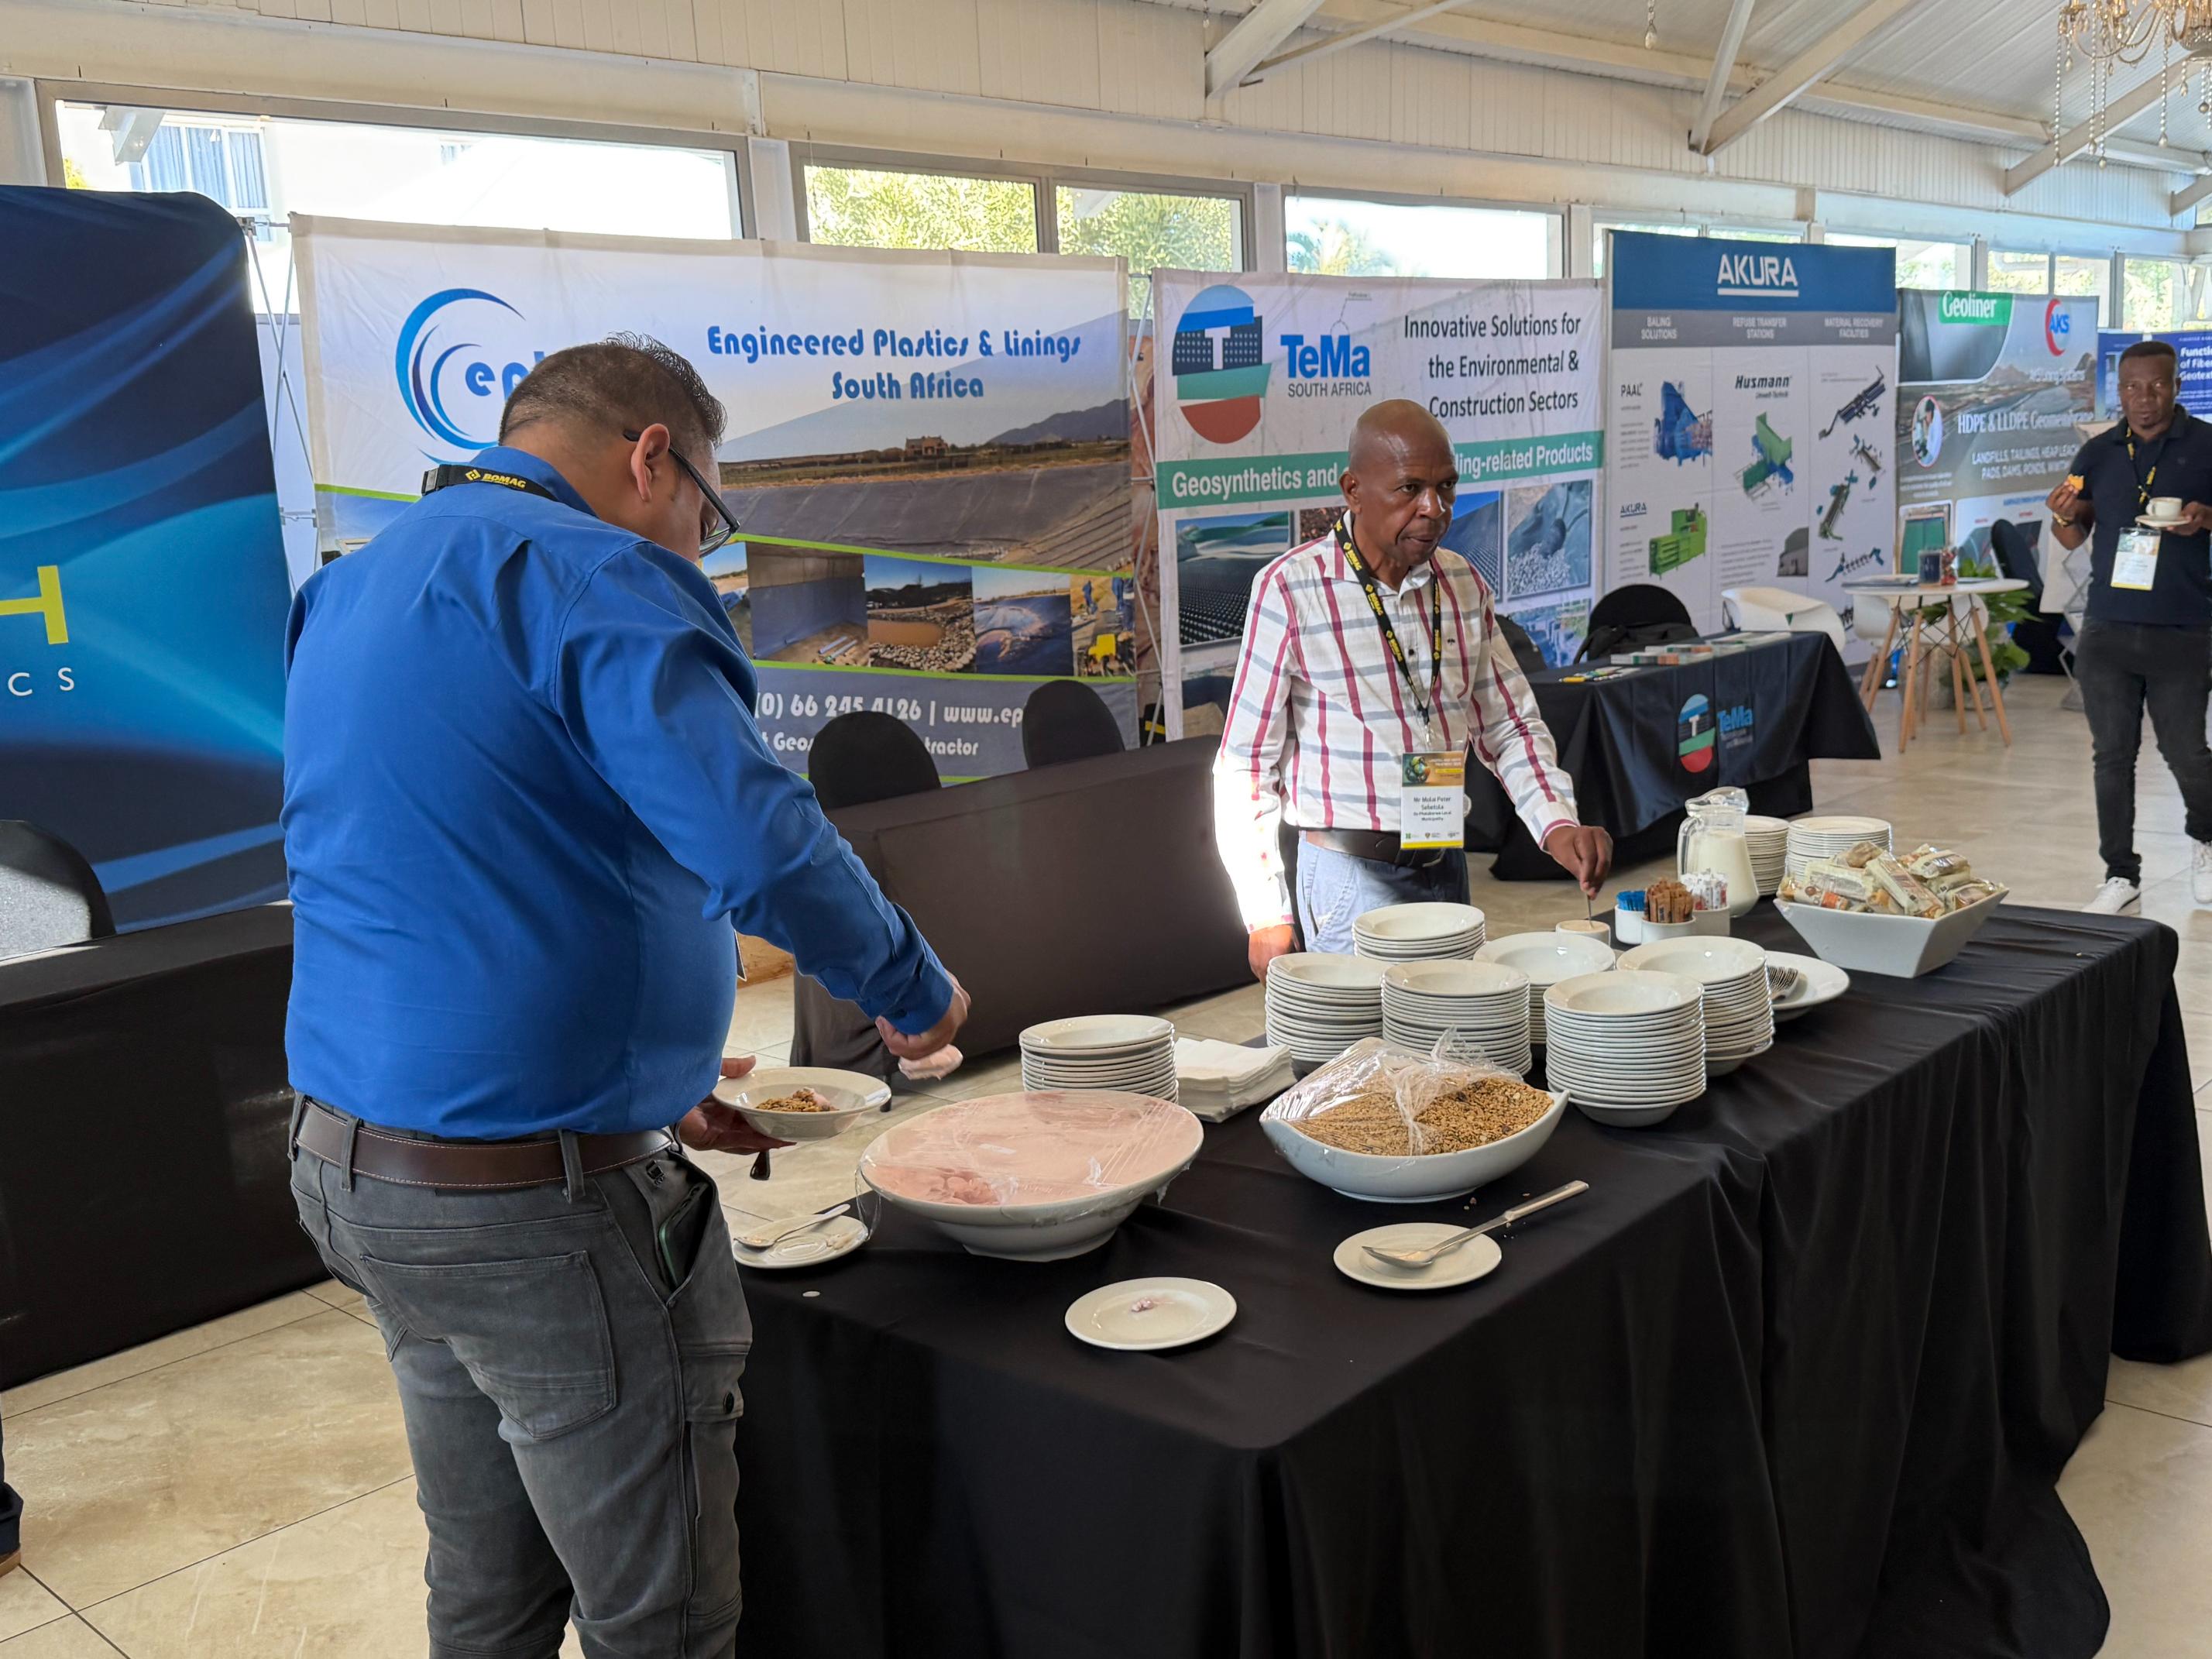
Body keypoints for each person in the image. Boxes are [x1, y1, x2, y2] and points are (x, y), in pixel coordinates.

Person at [283, 335, 966, 1658]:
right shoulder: (597, 574)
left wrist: (651, 1087)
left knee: (487, 1585)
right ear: (654, 457)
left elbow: (442, 862)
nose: (702, 548)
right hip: (530, 1209)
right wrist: (909, 982)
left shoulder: (350, 586)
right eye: (710, 513)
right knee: (663, 1617)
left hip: (357, 1174)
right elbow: (760, 842)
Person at [1215, 400, 1612, 972]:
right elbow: (1246, 765)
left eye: (1446, 487)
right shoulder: (1291, 591)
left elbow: (1508, 724)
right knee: (1363, 1035)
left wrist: (1558, 822)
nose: (1435, 508)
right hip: (1349, 882)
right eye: (1410, 489)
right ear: (1353, 491)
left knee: (1453, 1030)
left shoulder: (1462, 584)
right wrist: (1264, 912)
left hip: (1445, 866)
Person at [2046, 338, 2212, 914]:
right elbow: (2074, 534)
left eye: (2157, 385)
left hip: (2183, 626)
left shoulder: (2206, 444)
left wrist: (2205, 519)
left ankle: (2207, 840)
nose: (2145, 398)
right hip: (2108, 628)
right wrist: (2061, 516)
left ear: (2176, 386)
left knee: (2186, 752)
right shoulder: (2097, 453)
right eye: (2132, 387)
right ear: (2119, 392)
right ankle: (2120, 874)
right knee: (2112, 757)